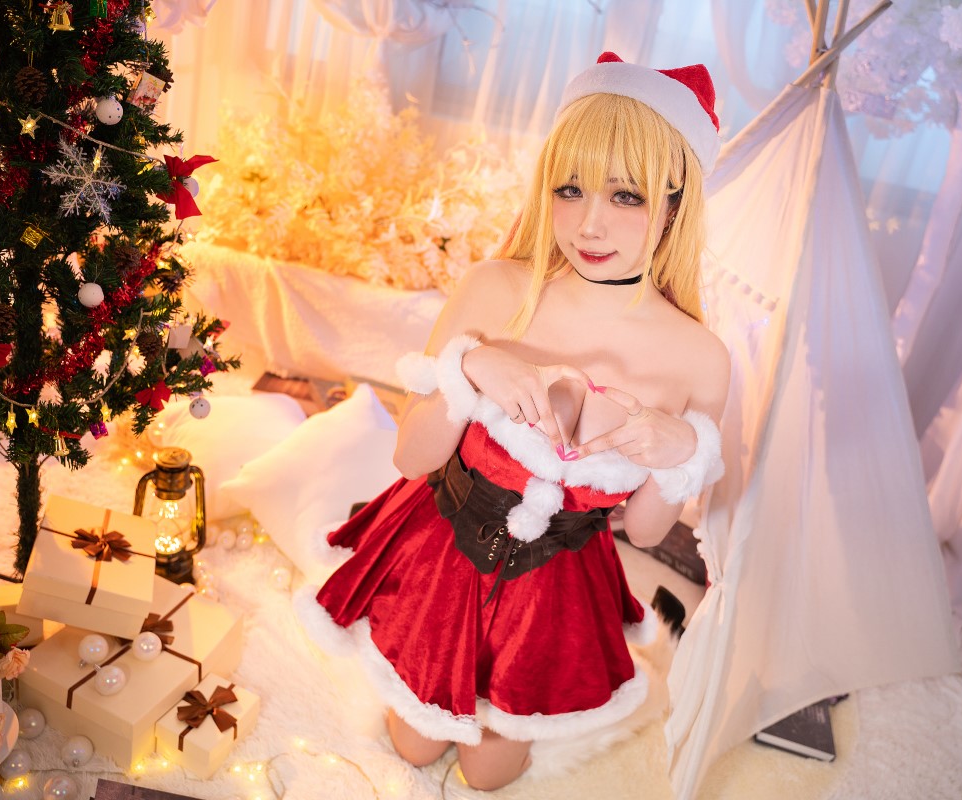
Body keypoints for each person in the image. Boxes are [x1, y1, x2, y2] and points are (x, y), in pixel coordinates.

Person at [296, 52, 730, 791]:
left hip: (554, 589)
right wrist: (468, 369)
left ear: (673, 204)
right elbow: (411, 458)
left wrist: (683, 450)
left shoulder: (700, 357)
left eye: (626, 196)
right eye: (570, 188)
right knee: (414, 748)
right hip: (442, 554)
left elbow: (645, 530)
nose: (590, 224)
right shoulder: (496, 289)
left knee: (489, 773)